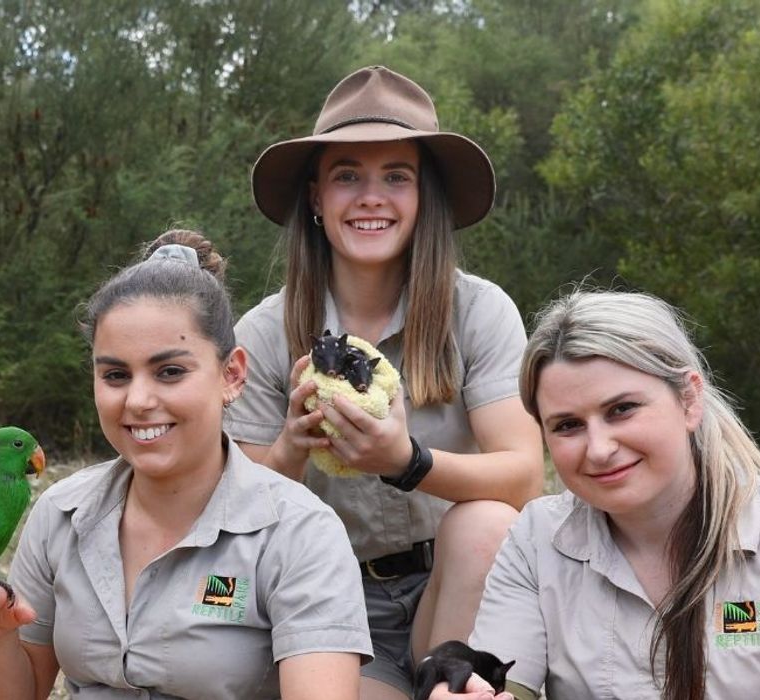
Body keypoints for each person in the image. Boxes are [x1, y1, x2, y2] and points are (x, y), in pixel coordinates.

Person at [226, 65, 545, 699]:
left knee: (483, 522)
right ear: (316, 197)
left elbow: (522, 478)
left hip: (458, 587)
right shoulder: (263, 333)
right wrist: (291, 446)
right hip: (330, 599)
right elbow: (235, 516)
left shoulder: (479, 311)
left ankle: (457, 681)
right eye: (347, 175)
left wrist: (406, 461)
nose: (371, 197)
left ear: (423, 196)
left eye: (396, 177)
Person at [0, 230, 371, 700]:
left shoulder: (301, 533)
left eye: (170, 372)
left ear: (232, 375)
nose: (139, 400)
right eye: (115, 375)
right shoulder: (59, 515)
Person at [433, 290, 760, 700]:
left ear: (689, 399)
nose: (599, 449)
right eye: (568, 425)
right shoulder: (535, 539)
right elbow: (504, 686)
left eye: (622, 409)